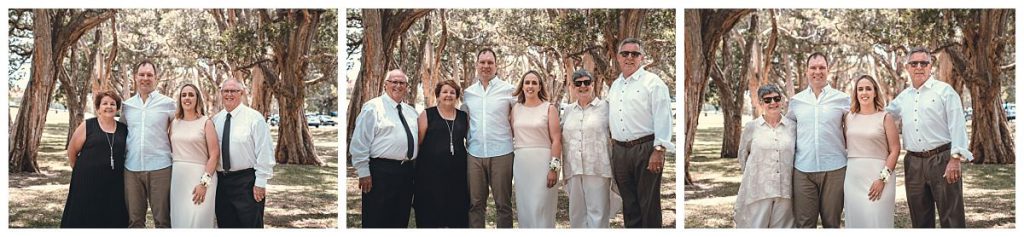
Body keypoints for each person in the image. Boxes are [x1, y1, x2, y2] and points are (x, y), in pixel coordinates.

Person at [886, 47, 972, 228]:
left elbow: (957, 125)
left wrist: (955, 159)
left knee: (952, 217)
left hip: (942, 159)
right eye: (914, 63)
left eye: (923, 63)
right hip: (913, 163)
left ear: (930, 65)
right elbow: (883, 118)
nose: (919, 67)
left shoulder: (945, 92)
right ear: (907, 67)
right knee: (920, 219)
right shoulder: (903, 98)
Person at [607, 38, 673, 228]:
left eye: (634, 54)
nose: (629, 57)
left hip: (646, 149)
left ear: (642, 58)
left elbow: (663, 117)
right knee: (629, 204)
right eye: (625, 53)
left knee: (648, 204)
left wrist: (659, 149)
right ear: (618, 57)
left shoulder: (653, 83)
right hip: (620, 151)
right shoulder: (615, 85)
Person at [786, 52, 850, 228]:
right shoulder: (796, 101)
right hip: (803, 170)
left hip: (835, 170)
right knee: (805, 224)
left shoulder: (842, 99)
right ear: (807, 71)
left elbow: (856, 127)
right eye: (813, 67)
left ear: (828, 70)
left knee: (832, 224)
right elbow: (786, 131)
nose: (817, 71)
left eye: (822, 67)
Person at [350, 70, 418, 228]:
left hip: (406, 173)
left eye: (402, 83)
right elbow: (360, 141)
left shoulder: (411, 112)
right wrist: (363, 172)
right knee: (377, 219)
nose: (397, 85)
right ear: (385, 84)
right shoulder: (373, 108)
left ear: (406, 87)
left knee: (400, 218)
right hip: (380, 172)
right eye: (394, 81)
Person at [462, 48, 517, 228]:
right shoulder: (468, 93)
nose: (486, 66)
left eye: (490, 62)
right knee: (475, 204)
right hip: (475, 154)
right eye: (482, 62)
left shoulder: (509, 91)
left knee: (503, 205)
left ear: (496, 65)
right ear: (477, 64)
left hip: (502, 153)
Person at [61, 91, 130, 228]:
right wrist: (82, 171)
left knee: (111, 216)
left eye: (112, 104)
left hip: (114, 184)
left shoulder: (123, 129)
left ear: (117, 108)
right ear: (98, 108)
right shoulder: (88, 125)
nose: (108, 107)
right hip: (87, 182)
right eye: (105, 103)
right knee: (84, 215)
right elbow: (72, 151)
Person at [213, 79, 275, 228]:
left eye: (233, 91)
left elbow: (264, 151)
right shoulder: (216, 120)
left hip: (247, 182)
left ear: (241, 93)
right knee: (226, 224)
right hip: (221, 182)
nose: (229, 94)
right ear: (221, 94)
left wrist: (260, 182)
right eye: (226, 91)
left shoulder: (254, 118)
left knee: (250, 225)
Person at [121, 59, 175, 228]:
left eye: (149, 75)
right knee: (134, 220)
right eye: (142, 74)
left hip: (161, 168)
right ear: (135, 77)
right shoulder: (127, 106)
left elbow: (179, 131)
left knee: (163, 220)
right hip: (132, 168)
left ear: (156, 78)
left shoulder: (168, 104)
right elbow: (121, 133)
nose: (145, 78)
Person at [733, 84, 796, 228]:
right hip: (758, 190)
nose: (773, 103)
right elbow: (742, 155)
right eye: (767, 100)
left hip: (785, 190)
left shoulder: (792, 127)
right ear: (761, 103)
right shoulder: (751, 127)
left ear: (781, 101)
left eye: (776, 98)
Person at [561, 69, 617, 228]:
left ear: (593, 85)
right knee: (576, 215)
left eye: (587, 82)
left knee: (598, 215)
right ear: (572, 86)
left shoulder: (605, 108)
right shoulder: (568, 110)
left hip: (598, 169)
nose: (583, 86)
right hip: (573, 169)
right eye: (578, 83)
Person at [844, 75, 901, 228]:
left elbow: (895, 150)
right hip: (853, 180)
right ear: (855, 93)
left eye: (868, 88)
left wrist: (882, 179)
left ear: (875, 92)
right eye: (860, 89)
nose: (864, 92)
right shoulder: (848, 117)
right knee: (856, 222)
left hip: (879, 179)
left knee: (877, 221)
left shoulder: (885, 117)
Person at [413, 80, 470, 228]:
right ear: (438, 95)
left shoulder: (464, 117)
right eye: (445, 92)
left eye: (452, 92)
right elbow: (418, 143)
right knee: (430, 215)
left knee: (456, 215)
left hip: (457, 176)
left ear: (457, 96)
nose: (448, 95)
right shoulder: (427, 114)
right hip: (429, 176)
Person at [510, 71, 563, 228]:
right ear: (522, 86)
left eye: (534, 83)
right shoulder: (515, 109)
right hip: (522, 165)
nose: (530, 86)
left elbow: (556, 140)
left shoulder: (549, 108)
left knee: (541, 208)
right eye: (527, 82)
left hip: (543, 164)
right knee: (525, 208)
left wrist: (554, 168)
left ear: (540, 87)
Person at [169, 83, 221, 228]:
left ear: (197, 98)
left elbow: (214, 154)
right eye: (184, 95)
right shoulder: (174, 123)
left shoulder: (206, 122)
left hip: (201, 179)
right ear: (179, 99)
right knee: (180, 221)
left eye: (191, 95)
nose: (187, 98)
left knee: (199, 222)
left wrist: (204, 184)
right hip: (178, 180)